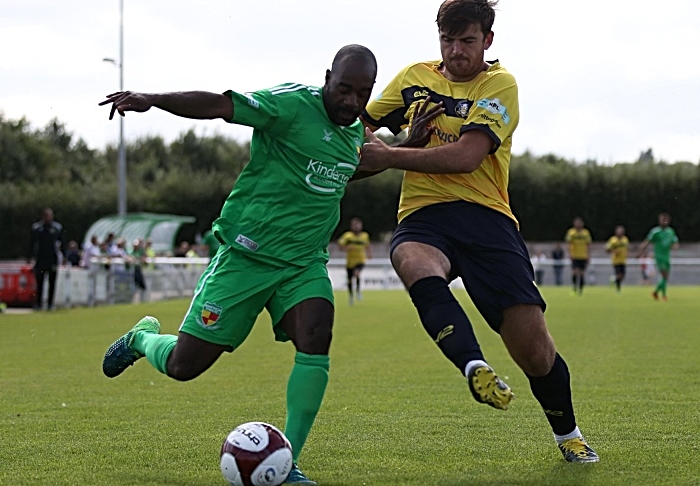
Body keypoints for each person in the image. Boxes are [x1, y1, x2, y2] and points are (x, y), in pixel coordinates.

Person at [99, 44, 378, 485]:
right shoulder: (288, 105)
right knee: (183, 366)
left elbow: (344, 166)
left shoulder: (353, 132)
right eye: (344, 89)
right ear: (327, 78)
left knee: (316, 335)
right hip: (246, 256)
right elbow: (220, 105)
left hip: (301, 264)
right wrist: (155, 99)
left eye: (363, 93)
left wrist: (413, 143)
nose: (352, 101)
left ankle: (288, 465)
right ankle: (142, 338)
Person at [358, 0, 598, 463]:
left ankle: (568, 434)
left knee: (536, 353)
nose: (455, 52)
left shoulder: (500, 84)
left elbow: (467, 155)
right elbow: (354, 128)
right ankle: (473, 364)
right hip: (424, 213)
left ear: (487, 40)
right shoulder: (412, 78)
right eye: (447, 41)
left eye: (467, 41)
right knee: (411, 260)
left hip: (488, 220)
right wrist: (378, 141)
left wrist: (391, 155)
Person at [28, 208, 66, 311]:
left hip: (52, 259)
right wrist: (30, 256)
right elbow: (32, 243)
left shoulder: (57, 228)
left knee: (52, 282)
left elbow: (62, 243)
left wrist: (64, 256)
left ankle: (50, 304)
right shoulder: (37, 228)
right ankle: (39, 304)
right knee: (39, 282)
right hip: (40, 259)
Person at [637, 212, 679, 301]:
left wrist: (675, 246)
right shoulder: (656, 231)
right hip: (659, 257)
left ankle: (658, 293)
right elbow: (647, 241)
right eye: (663, 220)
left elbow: (675, 242)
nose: (664, 222)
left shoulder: (670, 231)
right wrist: (640, 251)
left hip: (667, 257)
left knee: (666, 277)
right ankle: (662, 295)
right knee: (664, 276)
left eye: (666, 220)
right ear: (659, 221)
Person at [337, 217, 372, 305]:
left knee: (357, 273)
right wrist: (346, 248)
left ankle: (358, 292)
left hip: (360, 260)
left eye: (358, 225)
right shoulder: (347, 236)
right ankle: (351, 296)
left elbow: (367, 245)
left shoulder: (364, 236)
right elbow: (340, 247)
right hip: (350, 261)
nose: (357, 227)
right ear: (352, 226)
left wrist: (369, 254)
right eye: (355, 225)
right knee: (350, 279)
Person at [565, 217, 592, 295]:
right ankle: (574, 286)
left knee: (582, 273)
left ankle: (581, 288)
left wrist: (588, 255)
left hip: (583, 256)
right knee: (575, 272)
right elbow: (569, 244)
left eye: (580, 223)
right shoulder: (571, 233)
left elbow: (588, 245)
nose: (578, 225)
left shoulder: (586, 233)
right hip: (575, 256)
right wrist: (570, 254)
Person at [605, 225, 629, 292]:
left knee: (622, 276)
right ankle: (618, 289)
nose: (621, 233)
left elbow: (627, 248)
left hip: (623, 260)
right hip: (616, 260)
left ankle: (614, 280)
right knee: (619, 275)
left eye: (622, 231)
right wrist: (614, 251)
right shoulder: (613, 240)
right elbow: (607, 249)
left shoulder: (625, 239)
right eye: (619, 231)